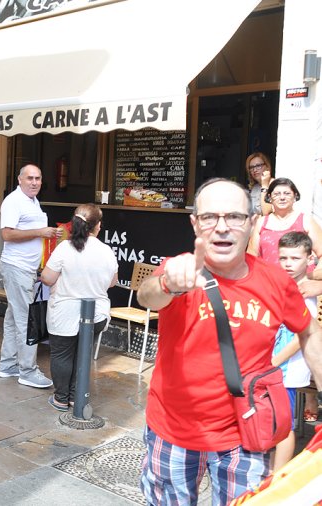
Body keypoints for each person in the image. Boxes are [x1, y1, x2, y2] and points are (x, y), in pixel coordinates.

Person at [137, 178, 322, 505]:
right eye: (210, 217)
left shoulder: (277, 281)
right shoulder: (180, 268)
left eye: (234, 217)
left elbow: (309, 332)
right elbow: (147, 296)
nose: (222, 227)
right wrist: (168, 283)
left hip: (246, 435)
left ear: (252, 222)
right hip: (173, 431)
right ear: (195, 224)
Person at [40, 204, 118, 411]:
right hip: (97, 314)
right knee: (82, 353)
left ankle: (61, 398)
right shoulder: (106, 251)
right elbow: (112, 282)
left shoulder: (65, 248)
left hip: (64, 313)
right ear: (97, 226)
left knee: (62, 355)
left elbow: (47, 278)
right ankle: (76, 397)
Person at [0, 164, 61, 389]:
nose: (34, 182)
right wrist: (40, 232)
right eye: (30, 178)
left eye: (38, 178)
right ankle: (28, 370)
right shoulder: (13, 201)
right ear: (19, 180)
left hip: (25, 268)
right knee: (26, 320)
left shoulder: (32, 201)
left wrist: (46, 234)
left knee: (15, 318)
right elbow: (7, 234)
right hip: (16, 267)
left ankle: (7, 364)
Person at [270, 231, 316, 472]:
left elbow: (301, 338)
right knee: (272, 422)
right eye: (284, 258)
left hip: (285, 370)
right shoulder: (281, 285)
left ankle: (277, 479)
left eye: (295, 258)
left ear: (309, 259)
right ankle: (269, 472)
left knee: (284, 427)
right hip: (272, 368)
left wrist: (274, 361)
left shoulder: (306, 293)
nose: (288, 264)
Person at [247, 177, 322, 271]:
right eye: (277, 194)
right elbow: (251, 257)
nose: (282, 197)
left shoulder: (305, 220)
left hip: (299, 283)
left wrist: (312, 278)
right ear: (270, 197)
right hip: (270, 282)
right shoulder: (261, 223)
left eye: (287, 193)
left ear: (295, 196)